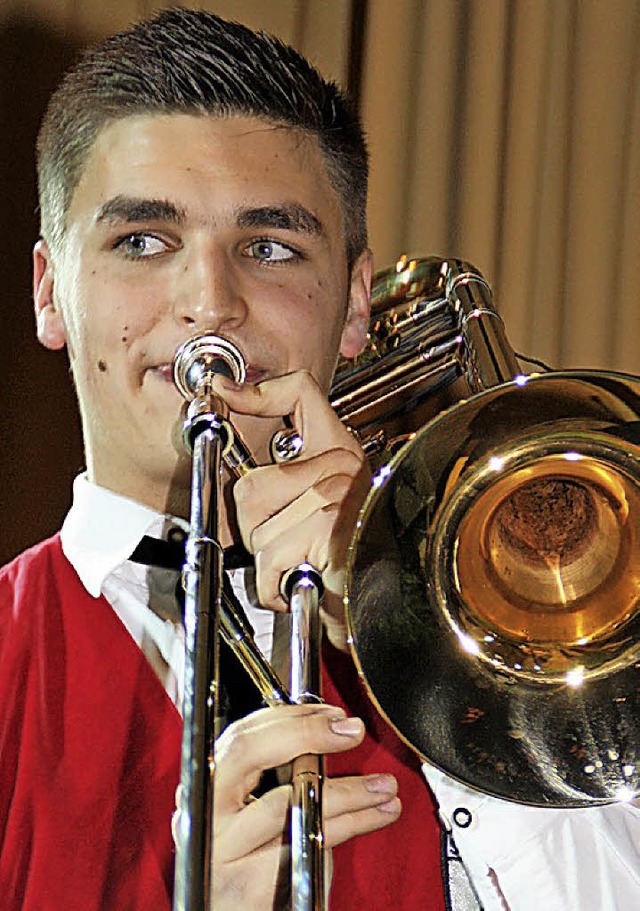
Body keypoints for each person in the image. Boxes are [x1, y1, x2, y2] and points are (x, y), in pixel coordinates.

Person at [0, 8, 638, 911]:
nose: (209, 302)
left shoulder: (519, 622)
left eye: (269, 247)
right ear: (49, 292)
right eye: (142, 241)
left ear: (353, 308)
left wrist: (419, 632)